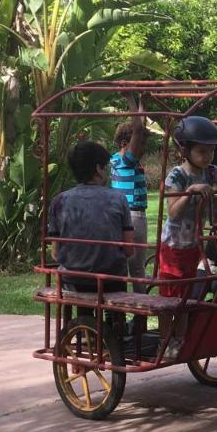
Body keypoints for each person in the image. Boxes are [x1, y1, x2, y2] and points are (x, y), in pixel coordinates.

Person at [159, 115, 217, 359]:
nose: (207, 156)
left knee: (185, 297)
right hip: (173, 246)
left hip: (194, 246)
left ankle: (181, 340)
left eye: (211, 151)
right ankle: (165, 341)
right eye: (201, 151)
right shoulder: (177, 176)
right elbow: (173, 211)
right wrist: (190, 191)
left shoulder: (211, 172)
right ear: (186, 150)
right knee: (168, 299)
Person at [47, 140, 134, 297]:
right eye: (105, 167)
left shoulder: (58, 201)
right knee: (114, 312)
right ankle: (115, 321)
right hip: (111, 279)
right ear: (98, 169)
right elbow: (129, 249)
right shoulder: (119, 199)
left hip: (71, 280)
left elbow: (55, 253)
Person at [109, 94, 149, 293]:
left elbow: (139, 127)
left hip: (119, 216)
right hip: (133, 217)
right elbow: (139, 129)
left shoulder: (115, 159)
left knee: (124, 266)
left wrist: (143, 102)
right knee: (137, 269)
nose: (143, 147)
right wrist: (130, 98)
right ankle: (139, 315)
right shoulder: (127, 160)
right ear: (126, 143)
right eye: (140, 143)